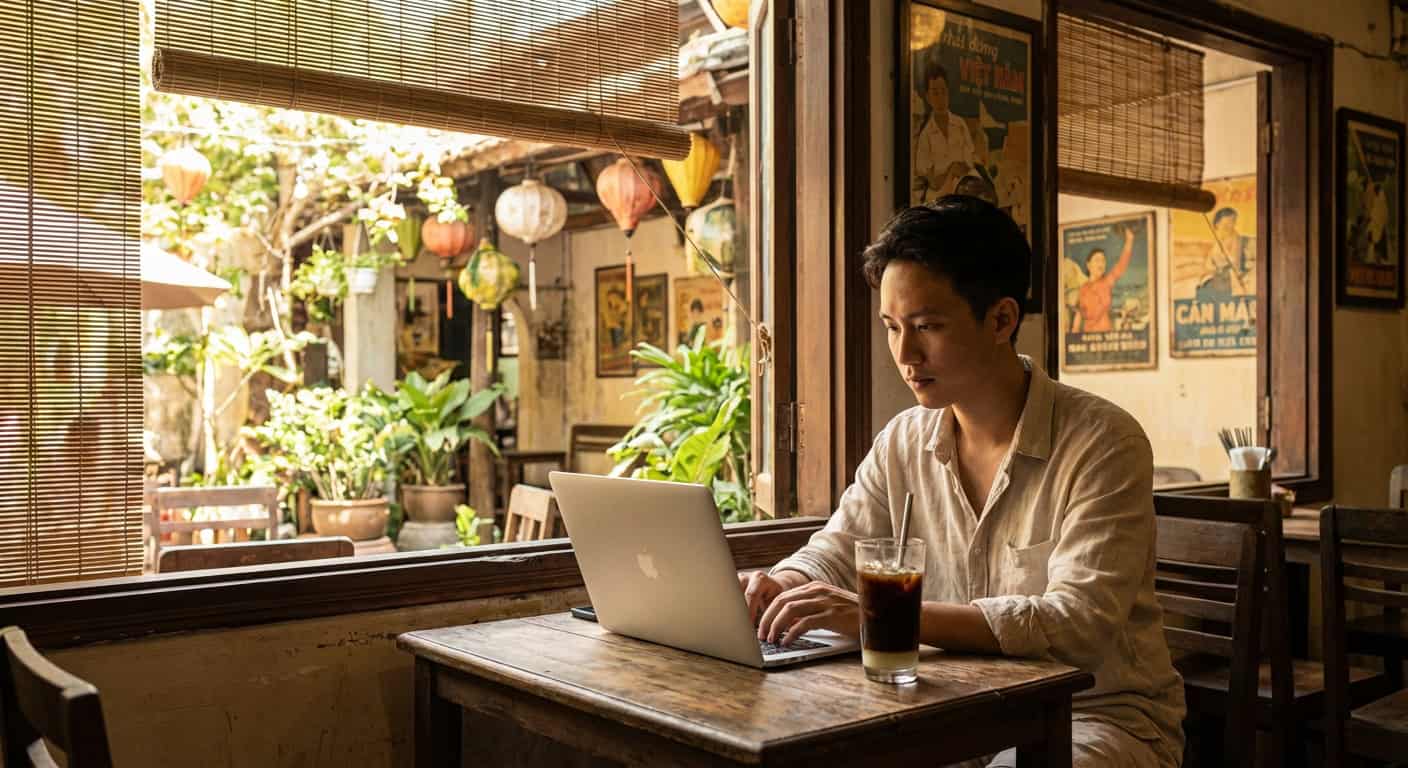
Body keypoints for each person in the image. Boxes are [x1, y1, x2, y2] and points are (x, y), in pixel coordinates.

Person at [739, 196, 1185, 767]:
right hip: (945, 710)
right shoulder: (903, 440)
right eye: (892, 327)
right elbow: (838, 548)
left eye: (927, 326)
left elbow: (1077, 624)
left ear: (1001, 320)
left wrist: (884, 614)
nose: (905, 353)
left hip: (1093, 717)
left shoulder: (1104, 441)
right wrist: (782, 584)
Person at [912, 61, 977, 204]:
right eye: (935, 93)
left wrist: (957, 172)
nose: (940, 98)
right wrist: (951, 170)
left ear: (948, 92)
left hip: (964, 191)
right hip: (939, 198)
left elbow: (969, 164)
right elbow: (933, 182)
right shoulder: (926, 135)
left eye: (943, 92)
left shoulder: (960, 125)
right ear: (928, 97)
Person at [1071, 225, 1136, 334]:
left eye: (1103, 260)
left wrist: (1129, 240)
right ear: (1088, 265)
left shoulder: (1107, 282)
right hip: (1088, 337)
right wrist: (1074, 333)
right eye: (1097, 260)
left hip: (1105, 336)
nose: (1101, 263)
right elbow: (1079, 313)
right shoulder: (1083, 288)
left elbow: (1121, 265)